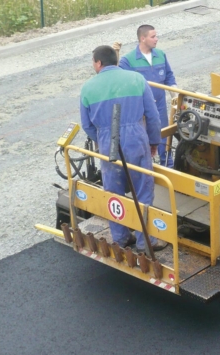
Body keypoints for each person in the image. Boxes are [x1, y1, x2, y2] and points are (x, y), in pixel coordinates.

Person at [80, 45, 168, 252]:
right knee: (143, 190)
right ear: (116, 61)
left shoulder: (87, 88)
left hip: (107, 140)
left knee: (113, 191)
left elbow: (86, 125)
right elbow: (153, 115)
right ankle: (146, 241)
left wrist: (102, 140)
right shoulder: (137, 80)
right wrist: (154, 142)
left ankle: (120, 237)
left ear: (99, 63)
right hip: (135, 139)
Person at [118, 24, 177, 168]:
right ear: (142, 38)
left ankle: (167, 165)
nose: (156, 39)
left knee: (162, 133)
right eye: (153, 36)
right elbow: (120, 82)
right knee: (142, 138)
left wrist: (174, 93)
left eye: (156, 36)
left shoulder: (161, 55)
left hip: (160, 106)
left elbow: (169, 77)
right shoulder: (128, 60)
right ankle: (145, 168)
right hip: (140, 109)